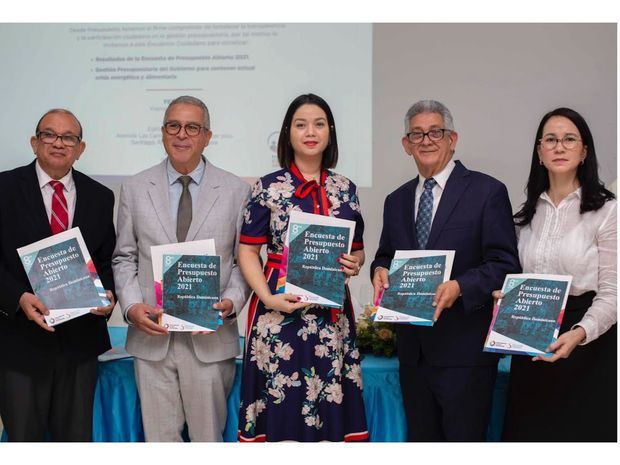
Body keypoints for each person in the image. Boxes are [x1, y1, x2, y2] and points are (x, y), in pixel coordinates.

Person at [371, 100, 520, 441]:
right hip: (413, 354)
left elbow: (504, 264)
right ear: (406, 144)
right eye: (417, 134)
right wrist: (378, 270)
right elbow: (385, 256)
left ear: (452, 139)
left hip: (464, 354)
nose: (426, 140)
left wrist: (460, 286)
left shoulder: (487, 192)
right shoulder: (396, 199)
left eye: (435, 132)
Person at [112, 95, 251, 441]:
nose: (181, 135)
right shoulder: (134, 188)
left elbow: (244, 262)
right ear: (162, 132)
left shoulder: (237, 190)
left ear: (207, 135)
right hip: (152, 339)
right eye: (173, 125)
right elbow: (124, 257)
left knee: (208, 442)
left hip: (210, 341)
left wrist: (232, 303)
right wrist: (130, 308)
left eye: (192, 127)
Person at [237, 93, 368, 442]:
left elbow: (358, 251)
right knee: (282, 410)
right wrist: (267, 297)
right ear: (288, 133)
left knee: (329, 412)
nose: (311, 131)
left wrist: (355, 263)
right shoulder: (267, 187)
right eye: (301, 124)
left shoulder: (345, 189)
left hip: (331, 319)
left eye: (319, 124)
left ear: (330, 132)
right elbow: (248, 252)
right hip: (277, 313)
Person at [500, 107, 616, 442]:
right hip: (531, 346)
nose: (560, 147)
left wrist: (579, 333)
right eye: (550, 140)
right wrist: (504, 297)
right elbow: (517, 279)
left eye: (569, 139)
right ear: (539, 152)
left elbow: (613, 293)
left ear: (584, 151)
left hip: (587, 348)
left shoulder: (608, 212)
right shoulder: (524, 215)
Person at [0, 109, 116, 441]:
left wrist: (108, 295)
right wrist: (18, 298)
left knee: (75, 445)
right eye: (49, 135)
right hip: (18, 344)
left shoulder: (100, 196)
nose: (58, 143)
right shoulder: (3, 188)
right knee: (24, 443)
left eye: (69, 137)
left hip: (79, 346)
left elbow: (106, 261)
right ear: (35, 143)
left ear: (81, 149)